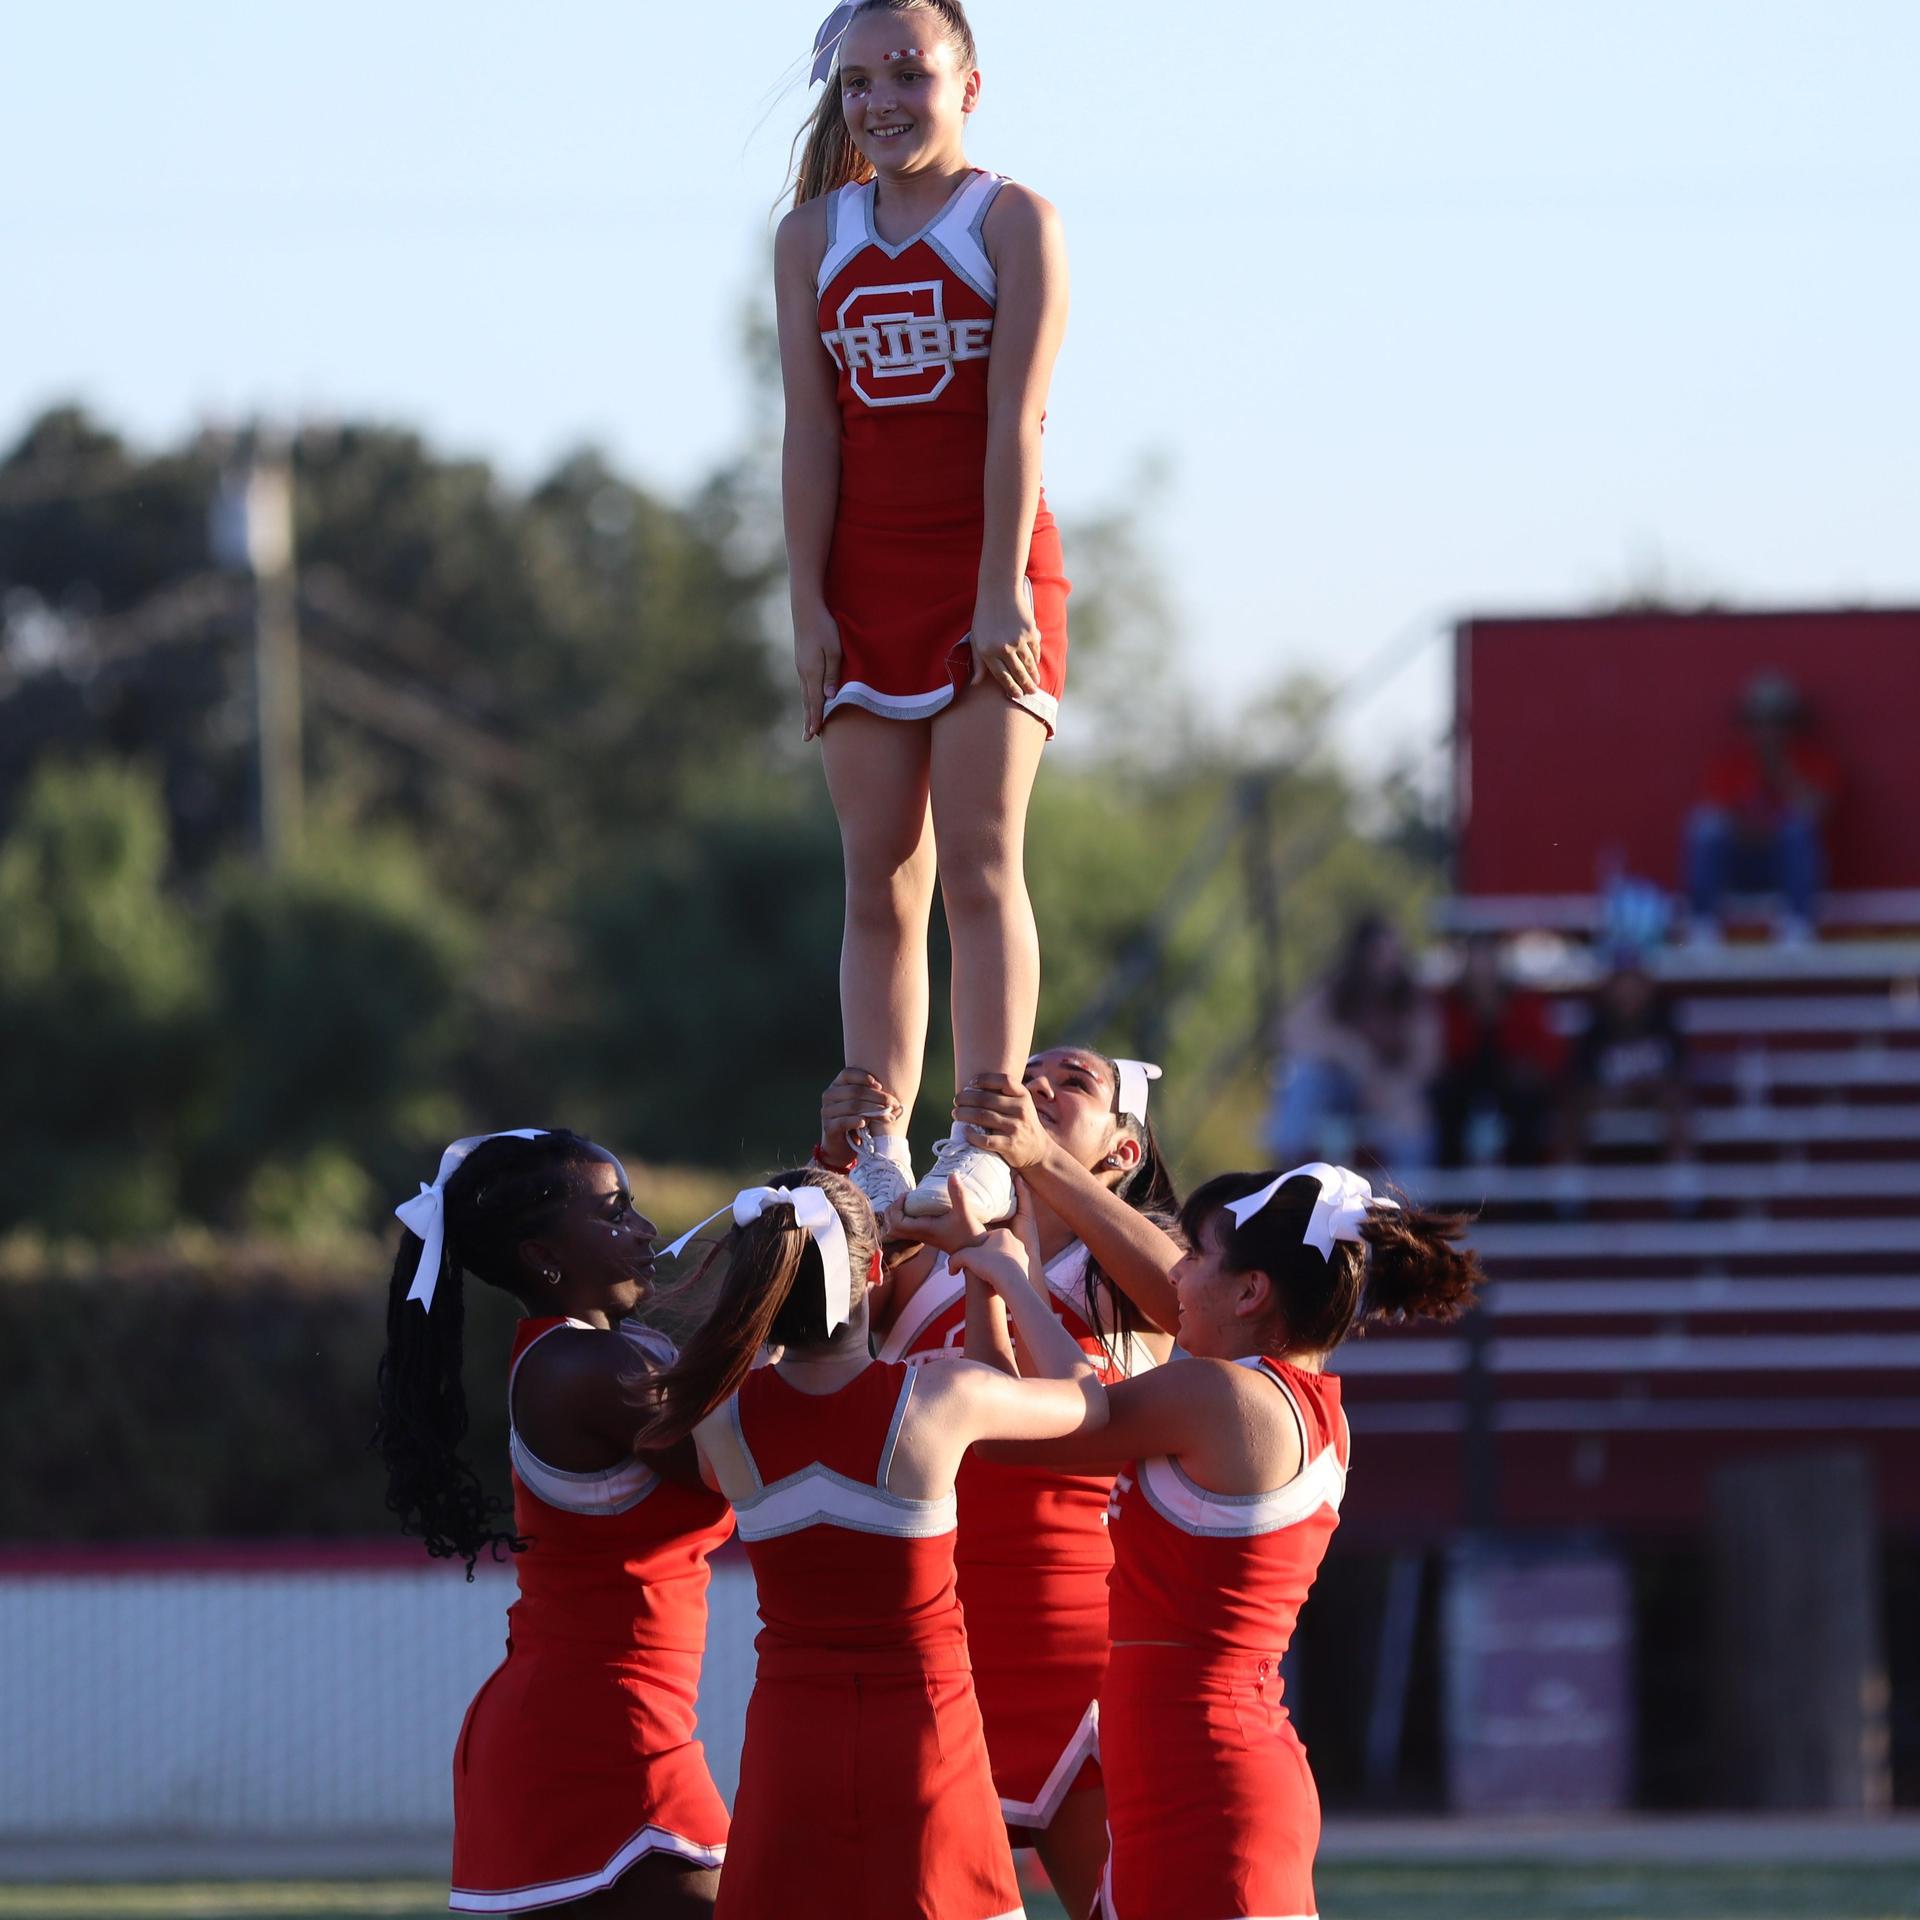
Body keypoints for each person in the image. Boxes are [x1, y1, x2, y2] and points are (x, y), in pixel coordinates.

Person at [968, 1162, 1481, 1920]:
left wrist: (1006, 1280)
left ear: (1250, 1291)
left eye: (1199, 1253)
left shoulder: (1221, 1397)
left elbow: (1017, 1432)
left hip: (1206, 1784)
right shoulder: (1283, 1399)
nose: (1176, 1267)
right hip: (1193, 1772)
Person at [778, 0, 1072, 1225]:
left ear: (969, 83)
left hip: (992, 577)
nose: (882, 100)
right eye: (857, 82)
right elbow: (809, 434)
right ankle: (877, 1140)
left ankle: (985, 1131)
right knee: (878, 877)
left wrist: (1001, 582)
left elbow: (1019, 422)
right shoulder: (807, 238)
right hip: (864, 583)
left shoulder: (1014, 222)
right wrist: (807, 604)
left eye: (908, 71)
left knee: (981, 865)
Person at [638, 1167, 1107, 1920]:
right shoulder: (939, 1399)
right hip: (926, 1736)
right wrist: (1006, 1279)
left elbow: (751, 1416)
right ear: (877, 1270)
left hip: (791, 1742)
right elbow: (1087, 1403)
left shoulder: (718, 1419)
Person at [818, 1049, 1180, 1919]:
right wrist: (840, 1162)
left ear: (1122, 1153)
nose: (1036, 1088)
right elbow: (809, 1321)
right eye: (1025, 1073)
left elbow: (1185, 1304)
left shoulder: (1119, 1277)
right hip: (933, 1657)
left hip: (1079, 1653)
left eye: (1074, 1082)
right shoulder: (921, 1261)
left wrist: (1039, 1164)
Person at [373, 1130, 732, 1918]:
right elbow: (753, 1452)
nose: (643, 1230)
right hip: (594, 1731)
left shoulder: (624, 1349)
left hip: (612, 1718)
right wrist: (807, 1256)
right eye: (615, 1213)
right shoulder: (583, 1370)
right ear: (544, 1258)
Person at [1266, 912, 1438, 1171]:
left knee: (1413, 1119)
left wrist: (1388, 1085)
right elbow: (1290, 1031)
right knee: (1303, 1078)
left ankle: (1409, 1203)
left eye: (1394, 951)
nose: (1388, 961)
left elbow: (1427, 1060)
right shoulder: (1338, 988)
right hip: (1340, 1091)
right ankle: (1285, 1177)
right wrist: (1347, 1051)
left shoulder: (1410, 999)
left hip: (1390, 1095)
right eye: (1380, 951)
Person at [1685, 670, 1840, 943]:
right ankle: (1702, 927)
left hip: (1788, 869)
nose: (1767, 730)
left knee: (1797, 828)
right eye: (1759, 721)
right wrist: (1760, 830)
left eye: (1777, 721)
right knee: (1704, 826)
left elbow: (1817, 814)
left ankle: (1797, 928)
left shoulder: (1815, 763)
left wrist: (1780, 770)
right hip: (1740, 865)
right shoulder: (1729, 766)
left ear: (1793, 724)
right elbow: (1719, 823)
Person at [1430, 933, 1565, 1166]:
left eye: (1488, 960)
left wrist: (1526, 1072)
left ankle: (1526, 1194)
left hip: (1515, 1091)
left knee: (1526, 1107)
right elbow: (1445, 1058)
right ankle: (1453, 1193)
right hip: (1465, 1086)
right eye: (1476, 961)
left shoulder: (1524, 1002)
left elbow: (1548, 1057)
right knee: (1448, 1104)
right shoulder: (1451, 1005)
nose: (1482, 971)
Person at [1564, 947, 1692, 1160]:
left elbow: (1679, 1074)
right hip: (1607, 1100)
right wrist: (1616, 1093)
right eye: (1622, 983)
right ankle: (1569, 1183)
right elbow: (1581, 1080)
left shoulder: (1664, 1024)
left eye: (1634, 983)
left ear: (1647, 986)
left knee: (1676, 1102)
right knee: (1572, 1108)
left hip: (1654, 1099)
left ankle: (1682, 1178)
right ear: (1610, 987)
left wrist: (1644, 1087)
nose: (1628, 990)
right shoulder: (1596, 1030)